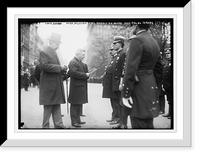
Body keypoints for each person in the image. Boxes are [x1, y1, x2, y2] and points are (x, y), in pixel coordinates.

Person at [121, 23, 163, 129]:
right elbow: (159, 69)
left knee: (138, 123)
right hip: (150, 85)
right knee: (148, 123)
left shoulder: (137, 40)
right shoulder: (154, 41)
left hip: (139, 87)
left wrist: (126, 94)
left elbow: (130, 70)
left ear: (136, 26)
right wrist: (155, 87)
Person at [39, 32, 68, 129]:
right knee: (48, 106)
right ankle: (45, 126)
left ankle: (59, 125)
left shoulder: (54, 53)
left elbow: (54, 68)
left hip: (55, 85)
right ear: (52, 42)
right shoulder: (44, 52)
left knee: (56, 105)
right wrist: (60, 67)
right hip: (49, 86)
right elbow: (45, 66)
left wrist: (63, 70)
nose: (58, 46)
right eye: (57, 44)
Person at [68, 48, 90, 128]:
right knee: (74, 105)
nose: (84, 56)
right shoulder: (72, 62)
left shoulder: (80, 63)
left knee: (78, 105)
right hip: (76, 88)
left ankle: (78, 120)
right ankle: (74, 122)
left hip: (80, 88)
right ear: (78, 54)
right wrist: (85, 75)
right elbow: (74, 73)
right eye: (83, 55)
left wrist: (87, 75)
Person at [102, 44, 119, 124]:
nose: (110, 52)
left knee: (115, 102)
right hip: (110, 84)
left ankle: (116, 118)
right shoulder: (113, 59)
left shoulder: (117, 58)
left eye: (112, 50)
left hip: (113, 84)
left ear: (116, 50)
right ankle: (113, 117)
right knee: (113, 102)